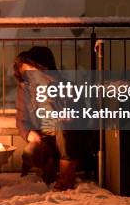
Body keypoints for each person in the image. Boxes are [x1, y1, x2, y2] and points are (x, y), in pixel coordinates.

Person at [14, 46, 92, 191]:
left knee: (61, 126)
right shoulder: (25, 90)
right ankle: (48, 168)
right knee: (31, 152)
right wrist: (29, 133)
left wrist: (72, 117)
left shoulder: (67, 87)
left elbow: (83, 116)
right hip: (43, 137)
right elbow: (21, 119)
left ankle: (66, 179)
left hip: (65, 136)